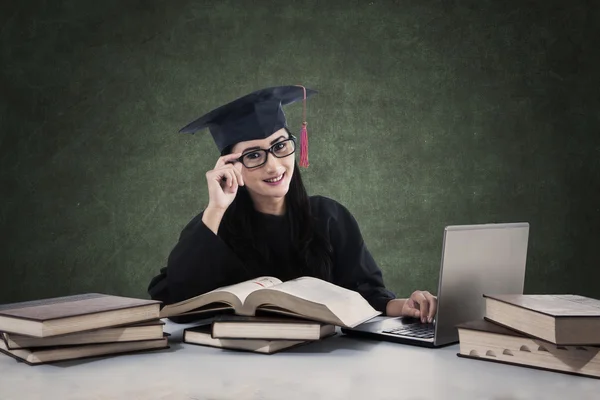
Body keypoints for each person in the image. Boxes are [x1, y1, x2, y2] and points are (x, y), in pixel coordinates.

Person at [147, 85, 437, 323]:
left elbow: (370, 296)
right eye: (254, 155)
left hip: (325, 363)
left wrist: (407, 305)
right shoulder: (214, 225)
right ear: (231, 165)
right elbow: (174, 297)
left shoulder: (328, 217)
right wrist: (216, 208)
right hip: (241, 370)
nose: (274, 166)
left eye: (280, 146)